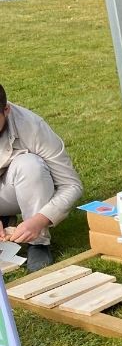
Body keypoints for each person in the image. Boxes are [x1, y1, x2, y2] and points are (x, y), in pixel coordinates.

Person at [0, 84, 83, 271]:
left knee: (30, 165)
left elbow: (71, 185)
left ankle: (38, 242)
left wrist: (40, 220)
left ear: (6, 110)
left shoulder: (32, 126)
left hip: (15, 189)